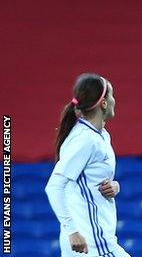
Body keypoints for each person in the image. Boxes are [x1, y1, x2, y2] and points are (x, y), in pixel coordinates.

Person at [45, 73, 130, 257]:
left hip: (89, 238)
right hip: (91, 241)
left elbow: (87, 182)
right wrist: (72, 230)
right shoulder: (85, 140)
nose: (115, 101)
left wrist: (114, 186)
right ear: (104, 103)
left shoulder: (100, 135)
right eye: (112, 96)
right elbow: (54, 185)